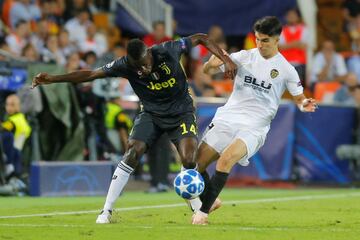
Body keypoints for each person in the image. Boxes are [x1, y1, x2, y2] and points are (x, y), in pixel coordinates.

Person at [32, 33, 237, 223]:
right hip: (151, 114)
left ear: (149, 53)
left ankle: (197, 203)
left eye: (144, 65)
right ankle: (106, 210)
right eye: (136, 67)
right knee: (132, 152)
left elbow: (201, 38)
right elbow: (91, 74)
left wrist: (226, 58)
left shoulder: (168, 49)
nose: (142, 71)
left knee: (190, 159)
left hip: (181, 111)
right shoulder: (124, 65)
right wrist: (53, 79)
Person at [189, 16, 318, 225]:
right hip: (229, 116)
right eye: (257, 39)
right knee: (196, 164)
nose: (260, 44)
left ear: (277, 39)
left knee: (226, 160)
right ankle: (210, 201)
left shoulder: (286, 69)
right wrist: (214, 61)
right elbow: (207, 70)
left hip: (255, 125)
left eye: (265, 40)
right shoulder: (243, 56)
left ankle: (202, 214)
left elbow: (299, 98)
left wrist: (305, 105)